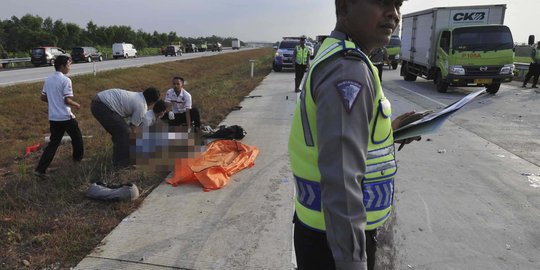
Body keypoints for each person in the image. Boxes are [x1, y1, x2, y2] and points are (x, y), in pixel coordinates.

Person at [288, 0, 419, 269]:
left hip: (323, 233)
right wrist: (353, 261)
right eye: (383, 2)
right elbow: (341, 179)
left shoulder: (339, 53)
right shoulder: (348, 69)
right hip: (336, 245)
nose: (393, 14)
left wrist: (389, 132)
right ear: (345, 7)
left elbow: (337, 139)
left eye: (397, 5)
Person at [34, 55, 83, 178]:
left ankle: (40, 169)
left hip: (54, 117)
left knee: (53, 143)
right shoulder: (66, 80)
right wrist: (76, 104)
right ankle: (77, 161)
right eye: (68, 65)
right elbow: (67, 100)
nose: (69, 68)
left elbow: (43, 97)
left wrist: (54, 101)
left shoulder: (48, 79)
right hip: (66, 116)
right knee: (77, 139)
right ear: (62, 66)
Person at [91, 87, 160, 168]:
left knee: (121, 132)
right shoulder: (142, 106)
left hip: (98, 101)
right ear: (152, 102)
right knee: (125, 133)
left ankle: (118, 158)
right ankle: (120, 164)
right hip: (102, 105)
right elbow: (133, 129)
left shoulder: (137, 96)